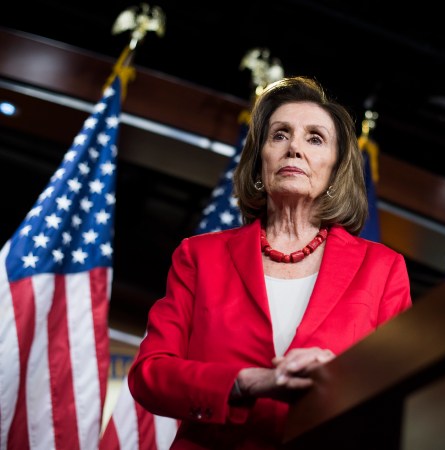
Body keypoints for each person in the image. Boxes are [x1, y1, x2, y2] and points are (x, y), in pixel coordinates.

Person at [127, 76, 412, 449]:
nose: (294, 147)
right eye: (280, 135)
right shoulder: (199, 256)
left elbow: (400, 386)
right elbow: (150, 373)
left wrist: (340, 374)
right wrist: (248, 382)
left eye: (314, 138)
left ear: (335, 168)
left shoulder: (382, 268)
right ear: (260, 159)